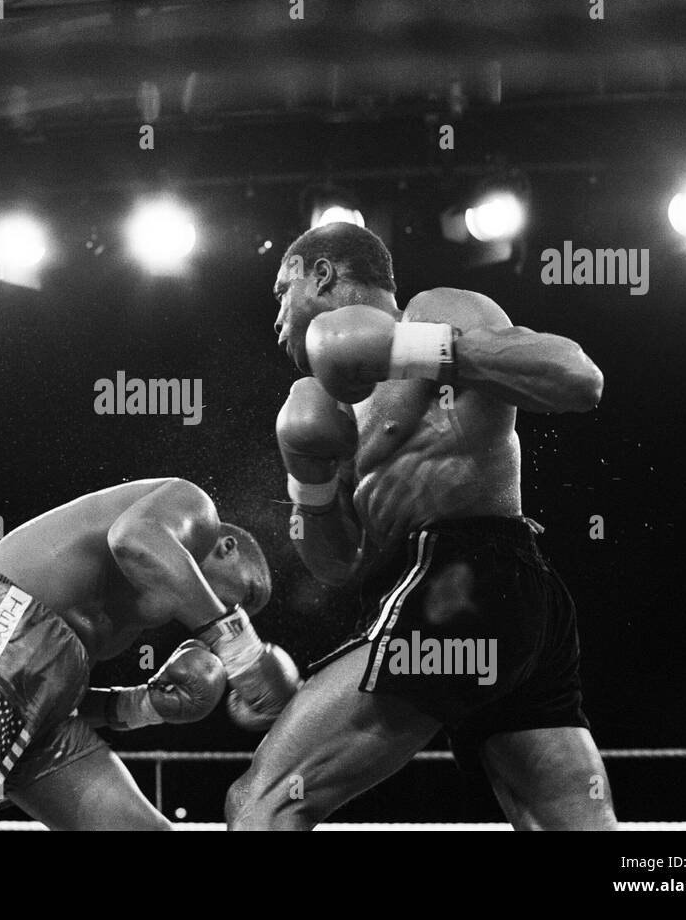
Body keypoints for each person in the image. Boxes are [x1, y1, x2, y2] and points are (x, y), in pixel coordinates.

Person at [226, 221, 616, 830]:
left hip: (463, 577)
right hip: (492, 607)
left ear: (320, 275)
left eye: (282, 290)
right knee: (563, 822)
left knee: (262, 801)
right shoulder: (326, 404)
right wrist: (308, 488)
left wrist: (418, 349)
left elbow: (578, 379)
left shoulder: (435, 312)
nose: (275, 314)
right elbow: (341, 567)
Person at [0, 477, 299, 830]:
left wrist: (140, 706)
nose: (237, 610)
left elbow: (54, 689)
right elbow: (135, 540)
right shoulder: (193, 507)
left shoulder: (122, 623)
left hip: (30, 685)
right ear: (227, 546)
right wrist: (239, 646)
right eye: (247, 596)